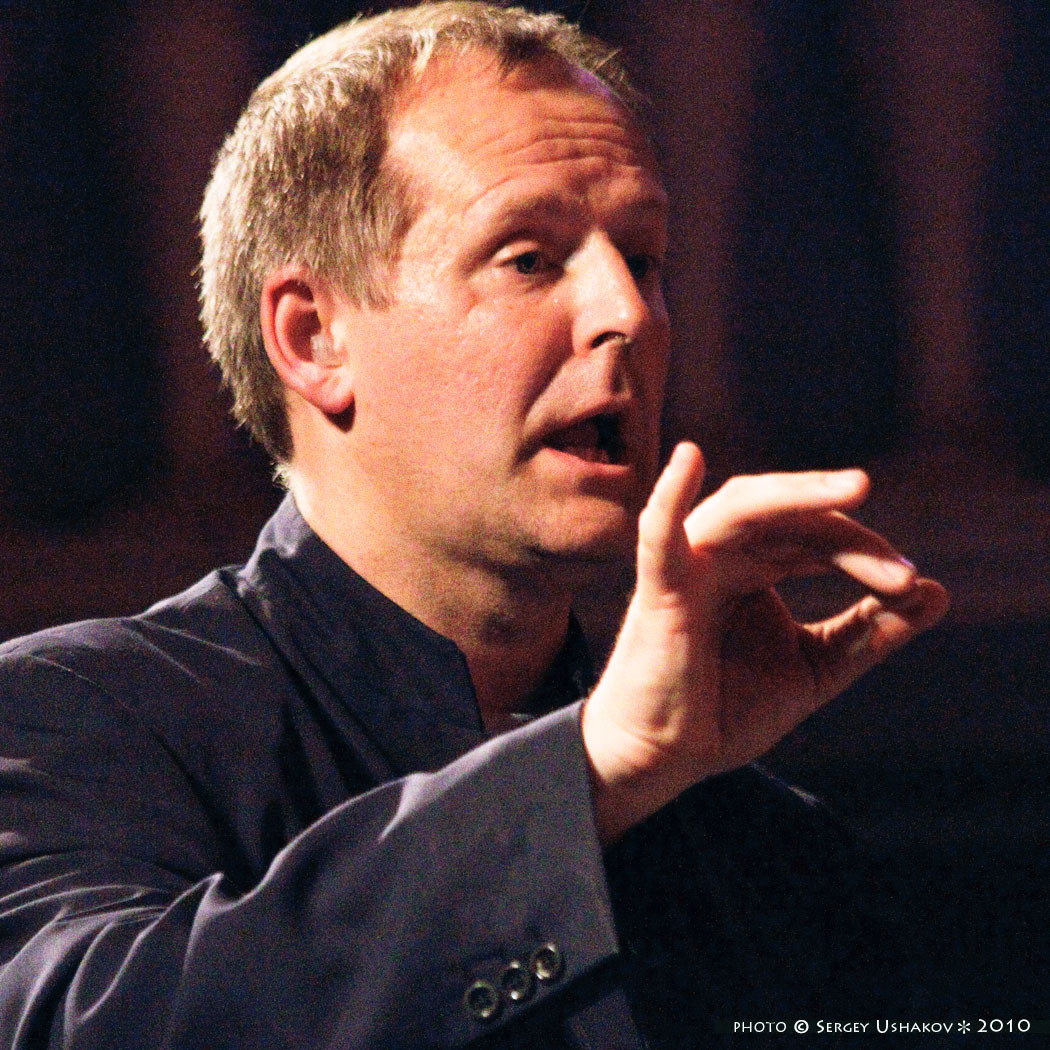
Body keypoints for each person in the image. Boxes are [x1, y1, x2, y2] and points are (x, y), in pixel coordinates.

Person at [0, 4, 950, 1047]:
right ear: (313, 338)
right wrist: (587, 773)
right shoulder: (69, 720)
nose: (628, 313)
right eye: (529, 259)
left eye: (643, 258)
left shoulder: (774, 856)